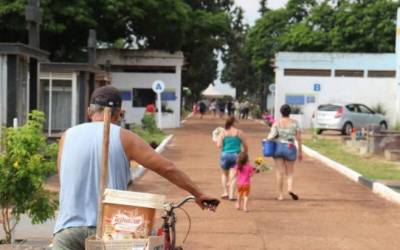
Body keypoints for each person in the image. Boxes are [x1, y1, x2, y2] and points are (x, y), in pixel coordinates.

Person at [53, 86, 219, 250]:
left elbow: (64, 178)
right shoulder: (124, 137)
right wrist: (198, 193)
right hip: (110, 231)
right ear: (118, 114)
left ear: (89, 111)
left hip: (67, 231)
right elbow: (167, 168)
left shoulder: (67, 136)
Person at [267, 104, 303, 201]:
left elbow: (271, 136)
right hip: (290, 147)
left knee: (279, 172)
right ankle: (290, 188)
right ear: (289, 112)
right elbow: (298, 138)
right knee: (290, 172)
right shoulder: (295, 123)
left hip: (278, 147)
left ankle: (280, 195)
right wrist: (300, 152)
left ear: (281, 112)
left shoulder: (277, 123)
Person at [216, 116, 248, 200]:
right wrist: (245, 154)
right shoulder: (239, 132)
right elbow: (245, 146)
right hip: (236, 156)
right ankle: (231, 195)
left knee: (224, 174)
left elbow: (219, 145)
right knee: (234, 176)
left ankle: (225, 192)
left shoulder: (223, 133)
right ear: (233, 123)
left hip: (225, 155)